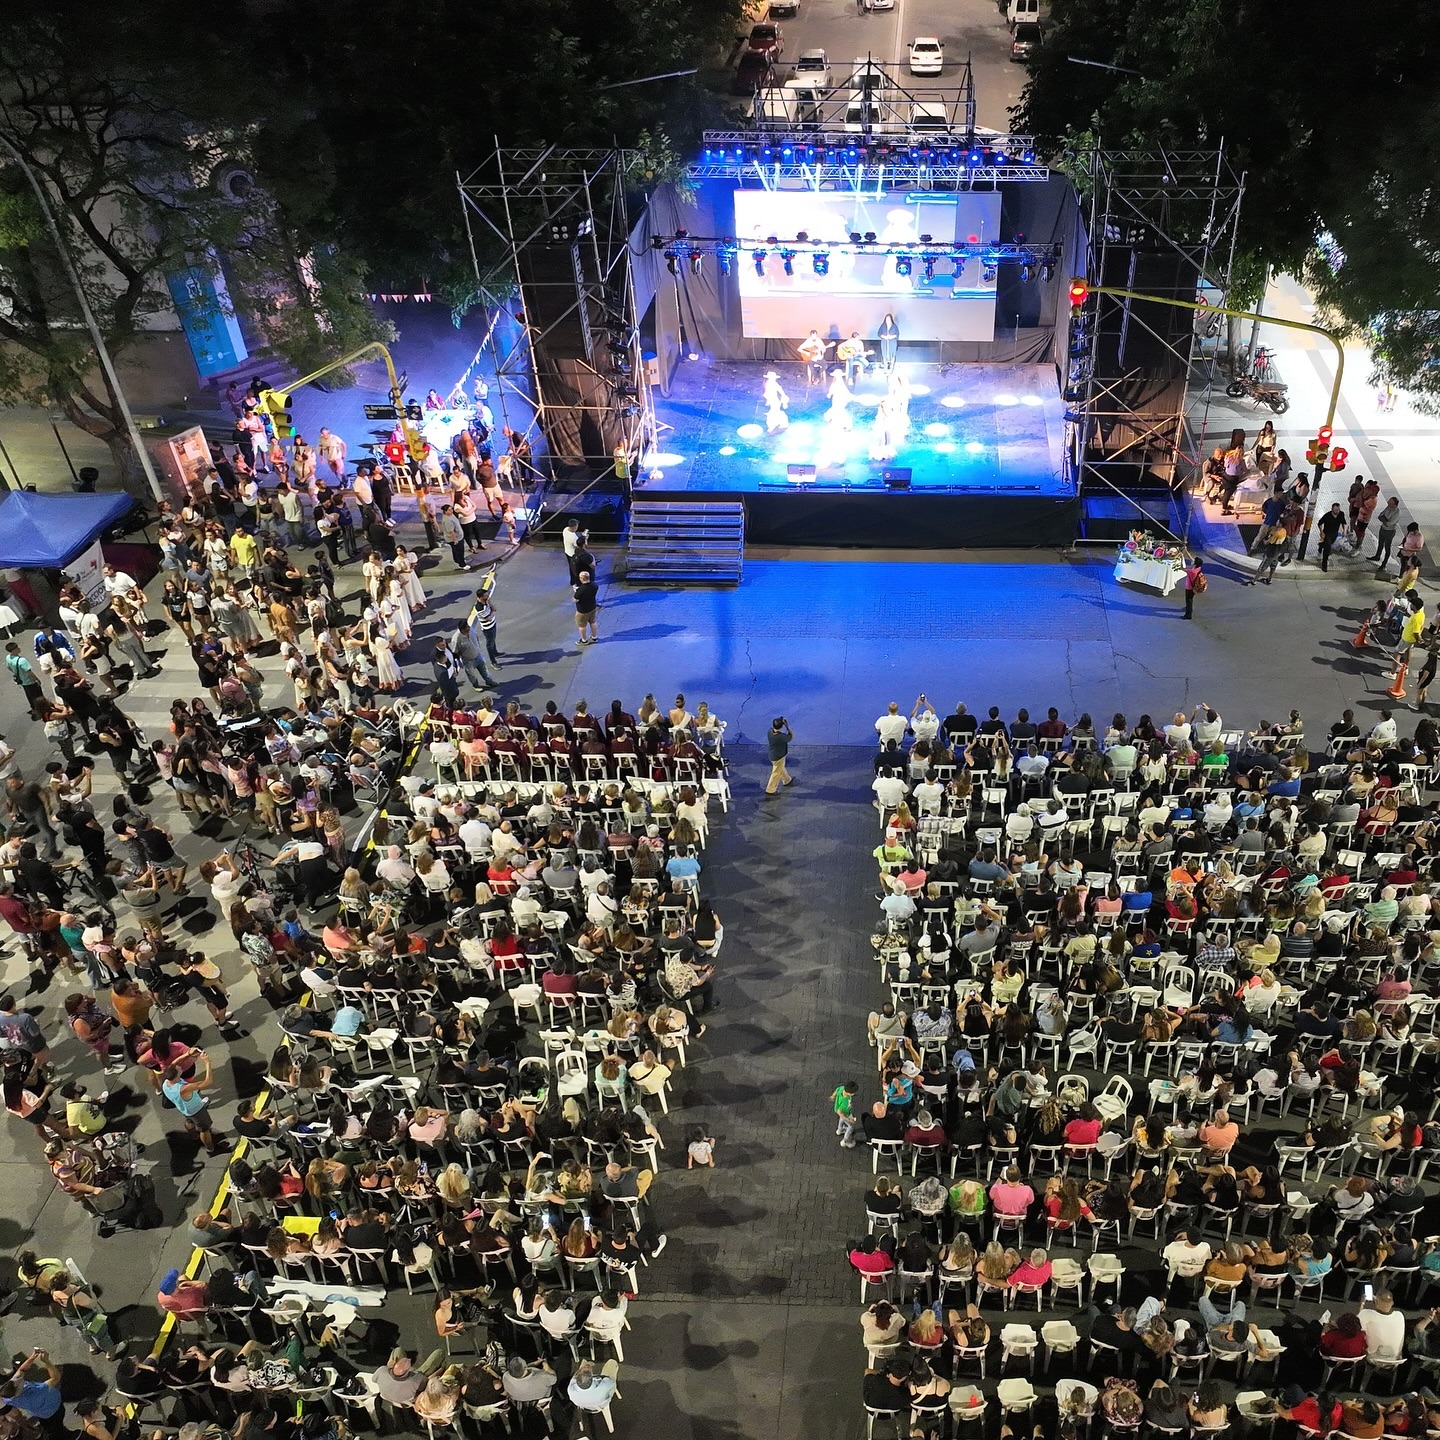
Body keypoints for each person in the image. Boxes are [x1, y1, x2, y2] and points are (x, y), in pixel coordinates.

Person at [765, 715, 794, 796]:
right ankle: (770, 790)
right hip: (779, 756)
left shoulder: (770, 732)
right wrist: (787, 726)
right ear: (781, 726)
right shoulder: (781, 736)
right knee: (776, 773)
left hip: (773, 754)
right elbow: (791, 737)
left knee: (780, 768)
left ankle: (787, 780)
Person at [573, 570, 599, 647]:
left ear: (582, 578)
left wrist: (576, 591)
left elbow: (575, 599)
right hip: (592, 607)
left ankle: (584, 640)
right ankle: (594, 637)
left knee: (582, 626)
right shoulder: (594, 585)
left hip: (582, 611)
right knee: (593, 622)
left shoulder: (581, 590)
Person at [1318, 502, 1346, 571]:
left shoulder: (1341, 514)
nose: (1337, 511)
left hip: (1335, 533)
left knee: (1327, 544)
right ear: (1332, 509)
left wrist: (1344, 530)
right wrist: (1321, 532)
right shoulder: (1327, 516)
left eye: (1338, 510)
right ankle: (1324, 563)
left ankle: (1320, 546)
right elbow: (1320, 523)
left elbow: (1344, 522)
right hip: (1327, 534)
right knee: (1327, 548)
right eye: (1335, 510)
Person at [1183, 554, 1206, 619]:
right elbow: (1192, 561)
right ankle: (1188, 608)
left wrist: (1182, 557)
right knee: (1190, 599)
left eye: (1194, 561)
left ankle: (1188, 615)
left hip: (1189, 588)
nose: (1192, 561)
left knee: (1188, 600)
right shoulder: (1198, 569)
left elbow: (1182, 568)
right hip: (1194, 587)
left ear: (1195, 564)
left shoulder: (1191, 571)